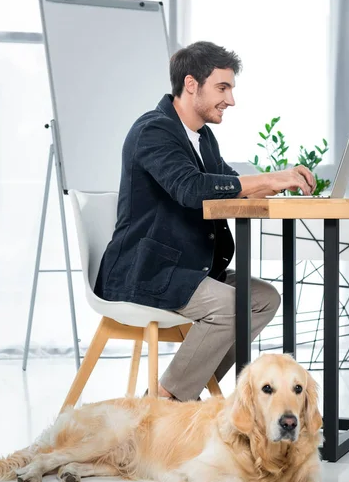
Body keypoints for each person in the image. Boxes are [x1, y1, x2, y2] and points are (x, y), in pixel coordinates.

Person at [94, 41, 315, 401]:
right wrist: (269, 178)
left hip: (189, 268)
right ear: (192, 84)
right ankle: (165, 400)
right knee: (233, 305)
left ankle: (189, 386)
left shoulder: (202, 137)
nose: (231, 100)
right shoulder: (153, 130)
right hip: (148, 270)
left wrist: (281, 184)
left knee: (264, 299)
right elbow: (192, 189)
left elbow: (228, 188)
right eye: (223, 88)